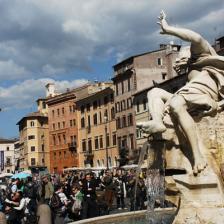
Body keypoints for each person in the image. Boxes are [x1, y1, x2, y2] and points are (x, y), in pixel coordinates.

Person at [137, 11, 224, 175]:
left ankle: (197, 156)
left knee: (177, 102)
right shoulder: (190, 73)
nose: (177, 61)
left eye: (180, 57)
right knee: (154, 92)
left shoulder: (202, 55)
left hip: (204, 96)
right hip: (188, 97)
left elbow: (196, 38)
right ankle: (158, 122)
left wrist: (168, 29)